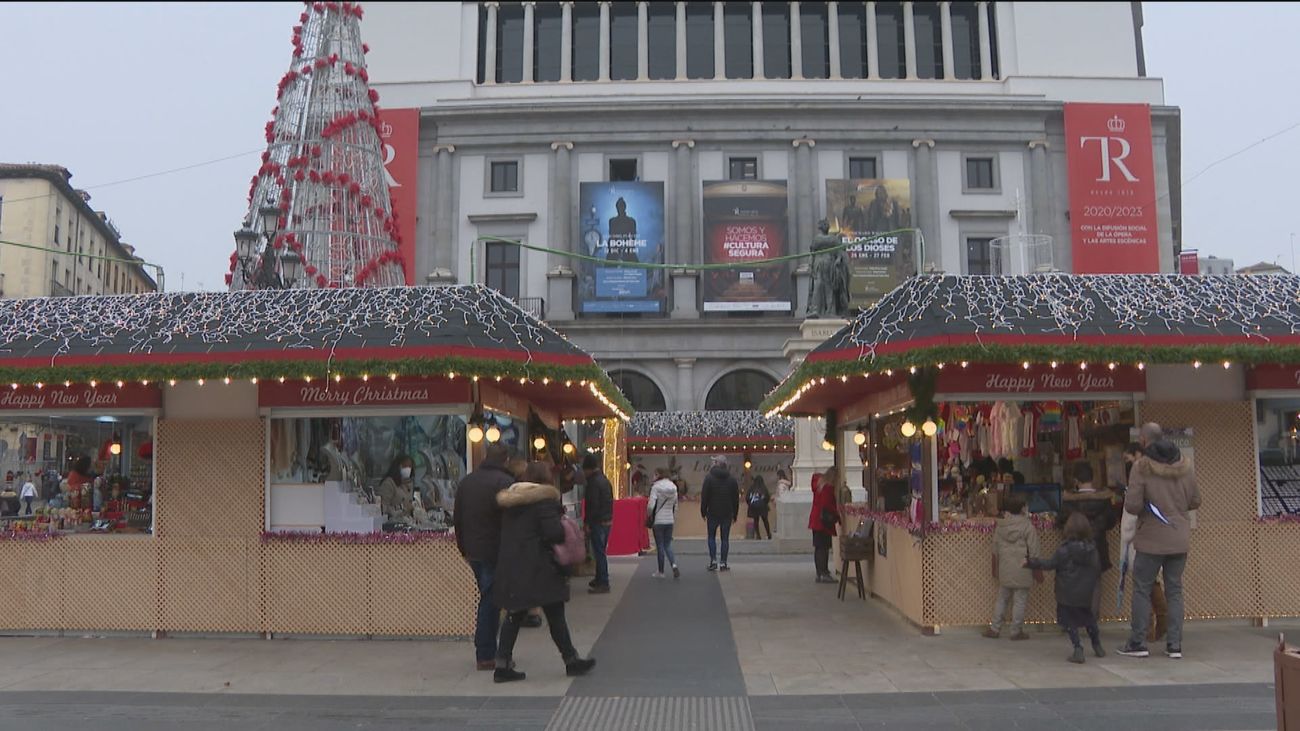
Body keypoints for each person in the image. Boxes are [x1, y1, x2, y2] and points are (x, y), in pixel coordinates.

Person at [491, 462, 596, 683]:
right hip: (541, 566)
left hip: (515, 564)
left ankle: (502, 664)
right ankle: (571, 660)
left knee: (515, 613)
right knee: (555, 614)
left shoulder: (511, 502)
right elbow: (554, 533)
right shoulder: (544, 501)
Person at [1118, 423, 1200, 660]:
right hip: (1179, 536)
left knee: (1142, 589)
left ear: (1143, 440)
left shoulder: (1141, 467)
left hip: (1151, 538)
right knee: (1174, 590)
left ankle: (1138, 642)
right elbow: (1195, 500)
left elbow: (1132, 505)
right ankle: (1174, 645)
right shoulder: (1185, 465)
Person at [453, 444, 515, 671]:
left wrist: (463, 548)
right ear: (506, 460)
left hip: (474, 551)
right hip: (495, 550)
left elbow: (457, 517)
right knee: (490, 601)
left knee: (489, 598)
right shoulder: (505, 483)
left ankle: (488, 650)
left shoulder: (467, 482)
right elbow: (511, 521)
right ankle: (486, 653)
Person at [1027, 512, 1105, 664]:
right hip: (1085, 593)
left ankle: (1078, 648)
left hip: (1066, 592)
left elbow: (1050, 564)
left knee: (1070, 622)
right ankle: (1097, 645)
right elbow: (1097, 570)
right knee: (1089, 619)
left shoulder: (1064, 550)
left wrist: (1032, 563)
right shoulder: (1092, 550)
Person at [1056, 462, 1116, 621]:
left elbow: (1060, 521)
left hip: (1073, 548)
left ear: (1076, 480)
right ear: (1092, 478)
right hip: (1097, 546)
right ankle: (1092, 619)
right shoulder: (1103, 500)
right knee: (1095, 583)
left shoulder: (1069, 500)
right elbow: (1111, 521)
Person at [1121, 442, 1168, 643]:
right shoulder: (1159, 485)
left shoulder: (1136, 490)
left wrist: (1126, 539)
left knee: (1142, 588)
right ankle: (1163, 623)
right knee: (1153, 583)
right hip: (1157, 540)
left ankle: (1146, 631)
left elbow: (1129, 523)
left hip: (1139, 544)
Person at [983, 494, 1040, 640]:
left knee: (1002, 598)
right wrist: (1037, 570)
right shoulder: (1027, 526)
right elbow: (1034, 551)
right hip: (1023, 567)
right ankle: (1016, 631)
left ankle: (995, 628)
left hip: (1005, 567)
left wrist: (994, 569)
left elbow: (995, 550)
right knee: (1020, 600)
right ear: (1022, 508)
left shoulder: (1001, 526)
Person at [581, 453, 614, 594]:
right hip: (607, 520)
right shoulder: (605, 480)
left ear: (588, 469)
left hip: (597, 521)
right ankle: (600, 578)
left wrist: (587, 522)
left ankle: (603, 581)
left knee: (599, 553)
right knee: (601, 551)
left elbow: (592, 505)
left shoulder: (593, 483)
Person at [700, 455, 739, 571]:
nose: (712, 463)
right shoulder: (732, 479)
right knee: (725, 539)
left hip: (712, 512)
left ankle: (713, 561)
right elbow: (735, 498)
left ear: (717, 463)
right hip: (727, 512)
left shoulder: (709, 478)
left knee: (711, 537)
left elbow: (704, 496)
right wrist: (735, 514)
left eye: (714, 461)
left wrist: (703, 511)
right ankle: (723, 562)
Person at [809, 467, 841, 583]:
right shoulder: (828, 488)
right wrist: (837, 515)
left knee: (818, 547)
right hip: (823, 521)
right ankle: (824, 572)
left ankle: (819, 573)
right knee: (824, 547)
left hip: (816, 519)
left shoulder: (819, 485)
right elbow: (827, 505)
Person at [647, 467, 679, 579]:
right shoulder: (674, 487)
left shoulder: (655, 487)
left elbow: (651, 506)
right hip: (669, 520)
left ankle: (661, 572)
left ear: (658, 475)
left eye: (654, 474)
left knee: (660, 546)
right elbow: (676, 506)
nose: (653, 476)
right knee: (667, 544)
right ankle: (674, 565)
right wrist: (673, 518)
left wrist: (649, 514)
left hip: (658, 520)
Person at [376, 454, 416, 523]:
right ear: (398, 467)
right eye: (405, 466)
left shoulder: (409, 483)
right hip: (392, 523)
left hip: (408, 522)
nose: (408, 469)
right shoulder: (388, 483)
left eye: (410, 466)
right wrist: (401, 508)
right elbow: (382, 508)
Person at [746, 475, 773, 540]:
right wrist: (764, 503)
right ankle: (768, 534)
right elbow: (767, 497)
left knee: (756, 521)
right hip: (763, 507)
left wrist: (750, 504)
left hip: (754, 507)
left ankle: (758, 535)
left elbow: (747, 497)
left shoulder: (752, 488)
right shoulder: (763, 488)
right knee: (765, 520)